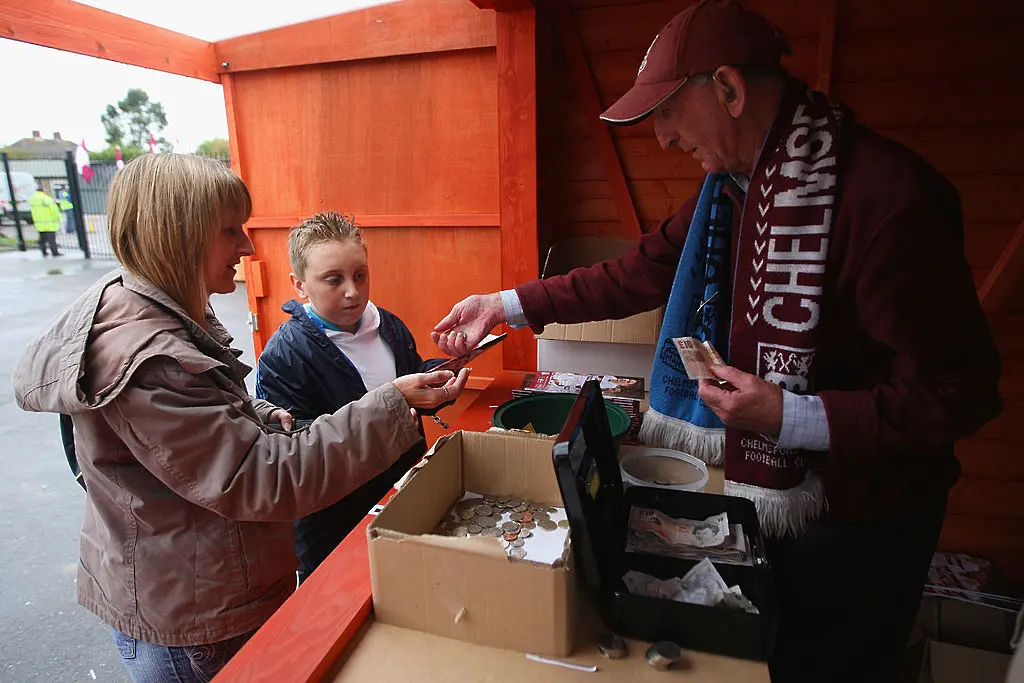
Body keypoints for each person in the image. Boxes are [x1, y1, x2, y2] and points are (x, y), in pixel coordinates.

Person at [431, 2, 1002, 681]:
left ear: (728, 88)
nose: (662, 138)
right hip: (771, 491)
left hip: (865, 520)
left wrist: (791, 416)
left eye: (668, 112)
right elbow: (639, 272)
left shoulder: (887, 199)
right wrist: (504, 305)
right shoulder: (730, 190)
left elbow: (960, 392)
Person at [12, 154, 469, 683]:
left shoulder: (164, 312)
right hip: (197, 619)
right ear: (179, 238)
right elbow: (262, 477)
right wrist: (392, 404)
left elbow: (199, 426)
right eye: (230, 230)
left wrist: (254, 413)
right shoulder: (151, 360)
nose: (248, 247)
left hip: (203, 588)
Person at [255, 211, 451, 584]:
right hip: (334, 527)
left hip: (403, 496)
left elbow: (409, 384)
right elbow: (295, 450)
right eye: (334, 280)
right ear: (300, 285)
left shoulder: (388, 325)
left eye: (360, 275)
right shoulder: (284, 355)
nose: (352, 291)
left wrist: (445, 374)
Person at [29, 184, 61, 256]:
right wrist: (58, 218)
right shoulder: (46, 198)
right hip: (49, 222)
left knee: (42, 238)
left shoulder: (32, 199)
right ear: (43, 191)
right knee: (51, 239)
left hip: (39, 222)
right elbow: (54, 210)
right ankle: (55, 252)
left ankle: (44, 252)